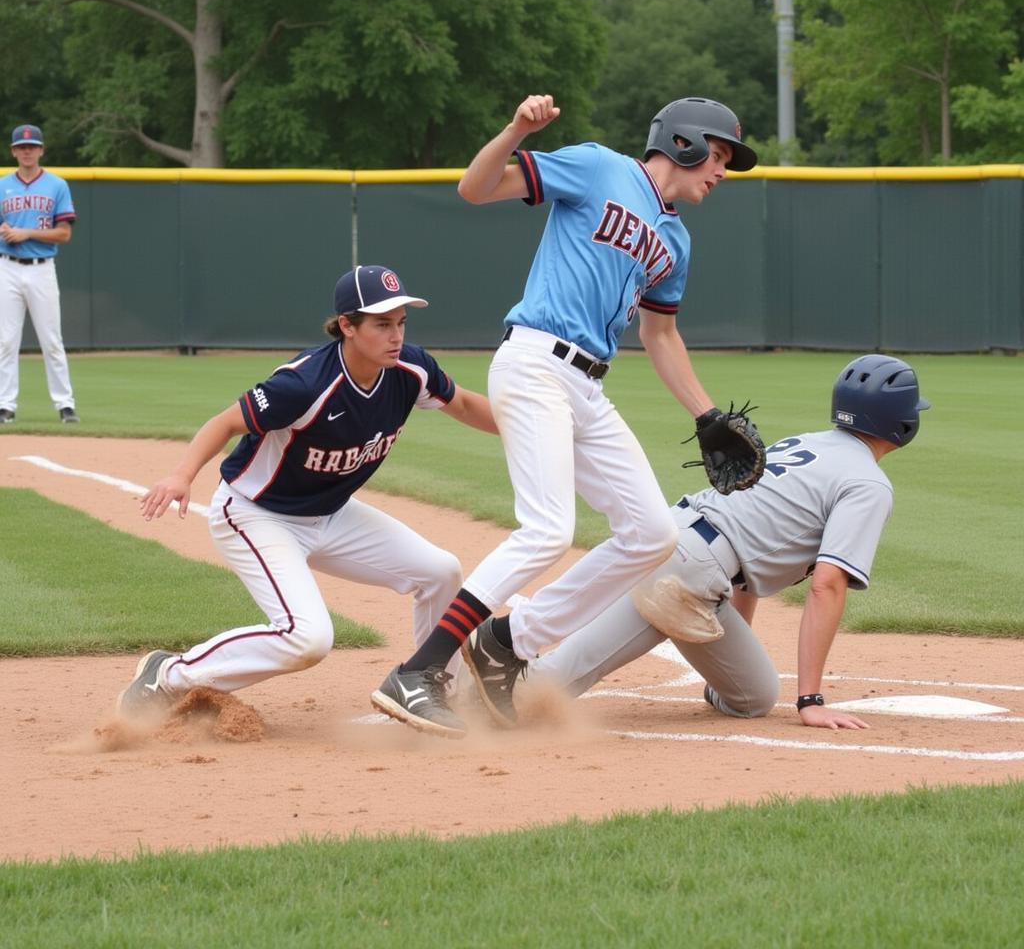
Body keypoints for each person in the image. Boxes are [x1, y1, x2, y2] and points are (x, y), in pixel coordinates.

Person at [371, 93, 765, 738]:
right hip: (534, 362)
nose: (721, 171)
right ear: (685, 143)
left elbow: (661, 337)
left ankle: (507, 642)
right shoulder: (598, 167)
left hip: (588, 387)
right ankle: (420, 669)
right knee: (548, 529)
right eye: (717, 155)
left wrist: (707, 415)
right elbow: (474, 189)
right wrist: (516, 131)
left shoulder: (676, 242)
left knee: (651, 533)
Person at [116, 265, 498, 724]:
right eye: (381, 324)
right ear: (346, 326)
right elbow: (226, 422)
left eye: (400, 322)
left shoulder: (410, 369)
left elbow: (463, 403)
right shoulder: (304, 383)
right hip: (258, 514)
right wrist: (182, 475)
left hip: (331, 514)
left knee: (440, 571)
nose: (395, 335)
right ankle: (169, 675)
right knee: (308, 638)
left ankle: (431, 687)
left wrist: (537, 433)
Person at [526, 354, 930, 731]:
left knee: (754, 697)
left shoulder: (810, 442)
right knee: (561, 678)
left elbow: (746, 552)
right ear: (900, 421)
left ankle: (487, 661)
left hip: (668, 533)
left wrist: (733, 642)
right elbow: (827, 585)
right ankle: (479, 691)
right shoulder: (868, 483)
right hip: (690, 566)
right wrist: (811, 700)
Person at [0, 124, 79, 424]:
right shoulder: (2, 185)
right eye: (21, 147)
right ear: (14, 152)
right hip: (6, 266)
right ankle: (5, 405)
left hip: (42, 268)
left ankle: (65, 405)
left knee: (52, 340)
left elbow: (64, 233)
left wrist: (26, 232)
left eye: (32, 146)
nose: (27, 150)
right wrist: (5, 231)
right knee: (6, 340)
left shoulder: (56, 185)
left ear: (41, 150)